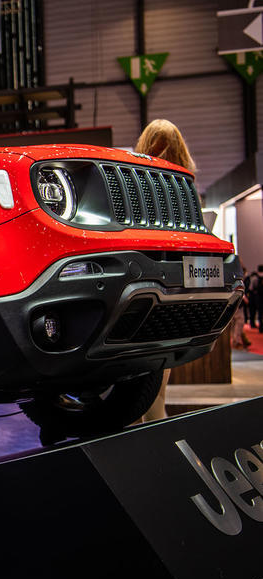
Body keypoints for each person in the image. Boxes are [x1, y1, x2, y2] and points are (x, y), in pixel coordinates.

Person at [134, 119, 195, 422]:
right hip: (174, 291)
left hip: (147, 287)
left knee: (144, 387)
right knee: (157, 387)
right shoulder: (186, 185)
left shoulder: (138, 182)